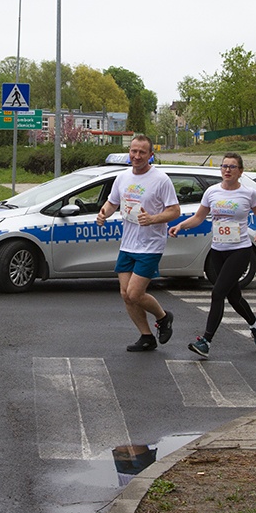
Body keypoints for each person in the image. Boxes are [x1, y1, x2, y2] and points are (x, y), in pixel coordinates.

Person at [168, 152, 256, 358]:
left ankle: (206, 341)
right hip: (217, 251)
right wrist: (180, 226)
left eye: (232, 167)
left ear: (240, 171)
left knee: (218, 293)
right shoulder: (212, 192)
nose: (227, 170)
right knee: (234, 296)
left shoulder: (248, 194)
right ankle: (255, 323)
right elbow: (199, 217)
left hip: (239, 251)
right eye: (224, 166)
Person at [96, 135, 180, 352]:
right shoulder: (122, 178)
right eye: (134, 151)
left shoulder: (161, 180)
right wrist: (103, 213)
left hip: (151, 245)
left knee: (135, 294)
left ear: (151, 155)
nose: (137, 156)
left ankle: (163, 317)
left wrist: (152, 219)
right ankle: (146, 336)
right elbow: (113, 202)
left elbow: (174, 210)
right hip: (128, 244)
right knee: (126, 295)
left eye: (142, 152)